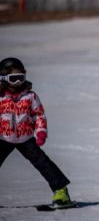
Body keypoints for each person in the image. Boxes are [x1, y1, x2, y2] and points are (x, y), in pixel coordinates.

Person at [0, 57, 73, 206]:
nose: (18, 83)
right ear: (3, 78)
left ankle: (61, 191)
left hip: (26, 138)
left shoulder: (30, 96)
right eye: (13, 79)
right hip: (3, 138)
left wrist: (40, 132)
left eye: (21, 78)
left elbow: (38, 114)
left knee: (43, 163)